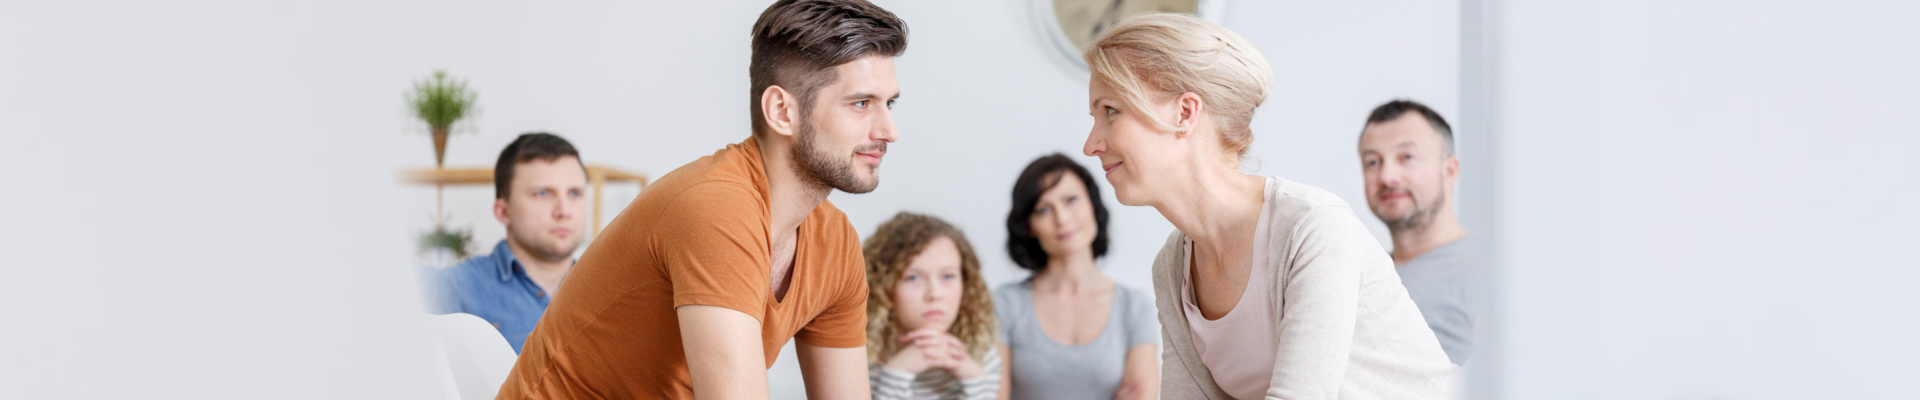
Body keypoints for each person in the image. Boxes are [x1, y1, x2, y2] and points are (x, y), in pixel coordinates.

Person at [494, 1, 908, 398]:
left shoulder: (834, 243)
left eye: (888, 104)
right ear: (782, 110)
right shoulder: (716, 209)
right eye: (861, 104)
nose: (889, 130)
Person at [1079, 14, 1457, 399]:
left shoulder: (1312, 227)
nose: (1090, 145)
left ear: (1185, 113)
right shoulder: (1173, 267)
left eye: (1110, 111)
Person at [994, 154, 1159, 400]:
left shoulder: (1134, 307)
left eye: (1071, 199)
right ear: (1028, 227)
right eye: (1043, 209)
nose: (1062, 219)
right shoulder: (1004, 304)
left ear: (1092, 204)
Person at [421, 132, 586, 354]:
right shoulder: (453, 288)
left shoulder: (609, 293)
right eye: (543, 193)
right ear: (503, 211)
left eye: (575, 193)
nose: (564, 211)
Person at [1357, 99, 1474, 365]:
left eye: (1406, 157)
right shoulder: (1360, 274)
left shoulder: (1491, 271)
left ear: (1450, 170)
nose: (1387, 176)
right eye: (1373, 162)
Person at [862, 212, 1006, 400]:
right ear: (883, 286)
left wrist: (973, 377)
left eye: (948, 276)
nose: (935, 294)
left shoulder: (983, 354)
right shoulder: (859, 357)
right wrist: (898, 372)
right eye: (913, 278)